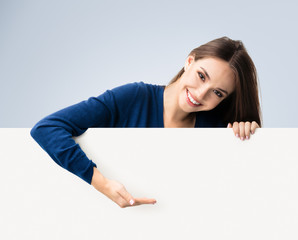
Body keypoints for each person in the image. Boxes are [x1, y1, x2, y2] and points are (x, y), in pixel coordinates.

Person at [30, 36, 262, 208]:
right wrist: (101, 183)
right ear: (189, 61)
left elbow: (239, 197)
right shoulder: (132, 98)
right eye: (201, 76)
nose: (201, 94)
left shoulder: (215, 128)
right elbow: (47, 128)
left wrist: (250, 140)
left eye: (218, 93)